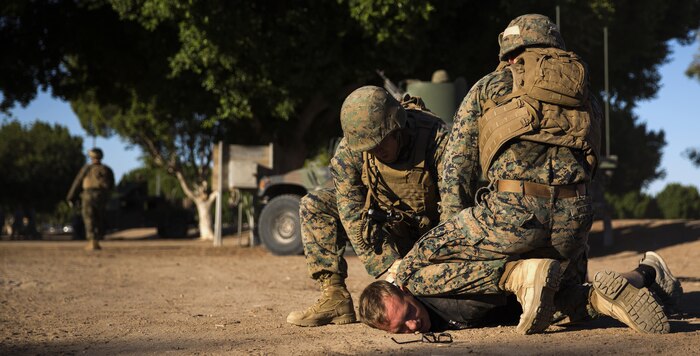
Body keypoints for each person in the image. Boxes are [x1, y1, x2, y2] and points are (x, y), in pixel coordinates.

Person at [380, 14, 670, 335]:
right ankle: (630, 283)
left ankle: (518, 275)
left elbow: (456, 170)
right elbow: (591, 163)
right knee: (557, 299)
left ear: (508, 51)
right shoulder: (585, 93)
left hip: (512, 214)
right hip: (575, 218)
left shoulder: (489, 87)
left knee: (410, 269)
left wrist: (462, 238)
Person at [286, 86, 450, 327]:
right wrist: (389, 264)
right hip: (388, 228)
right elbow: (351, 212)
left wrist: (433, 255)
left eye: (381, 143)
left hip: (433, 233)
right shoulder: (350, 151)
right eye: (368, 147)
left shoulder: (436, 137)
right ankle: (335, 298)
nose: (376, 151)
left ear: (397, 127)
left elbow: (455, 204)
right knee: (315, 205)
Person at [359, 251, 682, 334]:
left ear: (405, 291)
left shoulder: (437, 285)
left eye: (411, 315)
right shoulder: (405, 310)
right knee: (592, 301)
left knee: (581, 296)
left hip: (537, 284)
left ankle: (649, 270)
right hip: (531, 310)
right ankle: (637, 282)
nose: (414, 326)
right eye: (400, 328)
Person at [66, 148, 115, 250]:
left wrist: (70, 197)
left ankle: (92, 241)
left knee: (89, 217)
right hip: (102, 195)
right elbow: (112, 185)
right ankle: (97, 239)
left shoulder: (87, 168)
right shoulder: (107, 169)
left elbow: (77, 182)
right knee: (99, 217)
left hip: (88, 195)